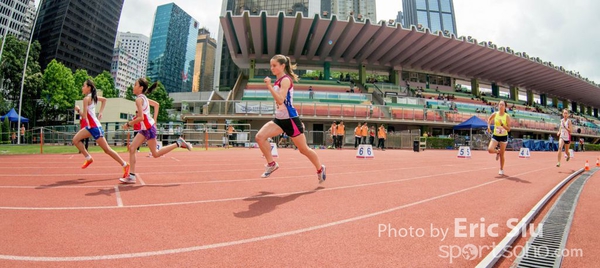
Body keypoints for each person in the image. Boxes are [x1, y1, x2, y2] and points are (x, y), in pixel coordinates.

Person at [254, 54, 325, 182]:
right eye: (271, 66)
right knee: (259, 137)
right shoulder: (277, 81)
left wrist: (269, 86)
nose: (272, 68)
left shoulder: (285, 80)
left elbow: (281, 100)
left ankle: (320, 169)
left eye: (274, 65)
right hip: (279, 119)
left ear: (283, 66)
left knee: (303, 150)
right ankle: (271, 164)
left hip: (291, 120)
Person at [120, 78, 192, 184]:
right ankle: (132, 176)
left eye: (135, 85)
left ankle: (178, 143)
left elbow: (140, 118)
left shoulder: (139, 100)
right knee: (132, 148)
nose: (133, 87)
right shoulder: (143, 98)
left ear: (140, 88)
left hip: (148, 129)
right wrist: (155, 120)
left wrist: (128, 124)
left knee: (155, 154)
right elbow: (157, 105)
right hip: (146, 129)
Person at [72, 79, 130, 178]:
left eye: (83, 85)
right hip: (90, 127)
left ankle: (125, 164)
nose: (82, 87)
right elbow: (104, 100)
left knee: (107, 150)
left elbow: (84, 116)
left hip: (95, 128)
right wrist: (101, 112)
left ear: (89, 88)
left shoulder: (87, 99)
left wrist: (78, 110)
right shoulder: (93, 97)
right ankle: (88, 158)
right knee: (75, 140)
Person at [487, 100, 511, 175]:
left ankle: (501, 169)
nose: (501, 106)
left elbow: (509, 129)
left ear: (505, 107)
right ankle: (497, 151)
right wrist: (488, 127)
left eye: (502, 105)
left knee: (502, 154)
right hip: (496, 135)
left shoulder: (507, 116)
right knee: (490, 149)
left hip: (503, 136)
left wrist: (502, 125)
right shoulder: (495, 114)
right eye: (500, 104)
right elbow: (489, 119)